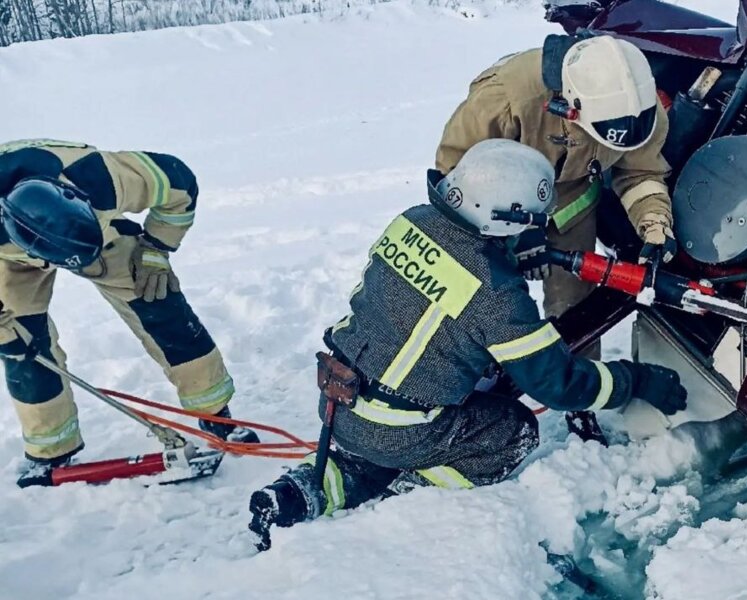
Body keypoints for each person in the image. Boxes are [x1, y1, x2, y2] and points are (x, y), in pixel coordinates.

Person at [248, 139, 686, 549]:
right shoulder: (496, 295)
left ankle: (298, 493)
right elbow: (559, 385)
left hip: (339, 399)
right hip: (398, 426)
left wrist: (505, 254)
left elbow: (440, 290)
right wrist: (636, 380)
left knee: (378, 444)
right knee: (511, 430)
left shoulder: (413, 221)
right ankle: (410, 490)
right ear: (505, 222)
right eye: (531, 223)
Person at [0, 139, 258, 488]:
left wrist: (155, 249)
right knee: (22, 348)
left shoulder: (101, 177)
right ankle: (51, 449)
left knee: (160, 304)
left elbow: (180, 183)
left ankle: (215, 414)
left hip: (99, 237)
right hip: (8, 258)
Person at [435, 35, 677, 358]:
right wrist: (518, 233)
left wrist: (655, 225)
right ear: (570, 109)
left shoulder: (639, 108)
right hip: (493, 199)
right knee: (483, 297)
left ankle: (578, 388)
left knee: (575, 303)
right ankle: (469, 371)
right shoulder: (506, 98)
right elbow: (456, 175)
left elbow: (641, 172)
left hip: (571, 196)